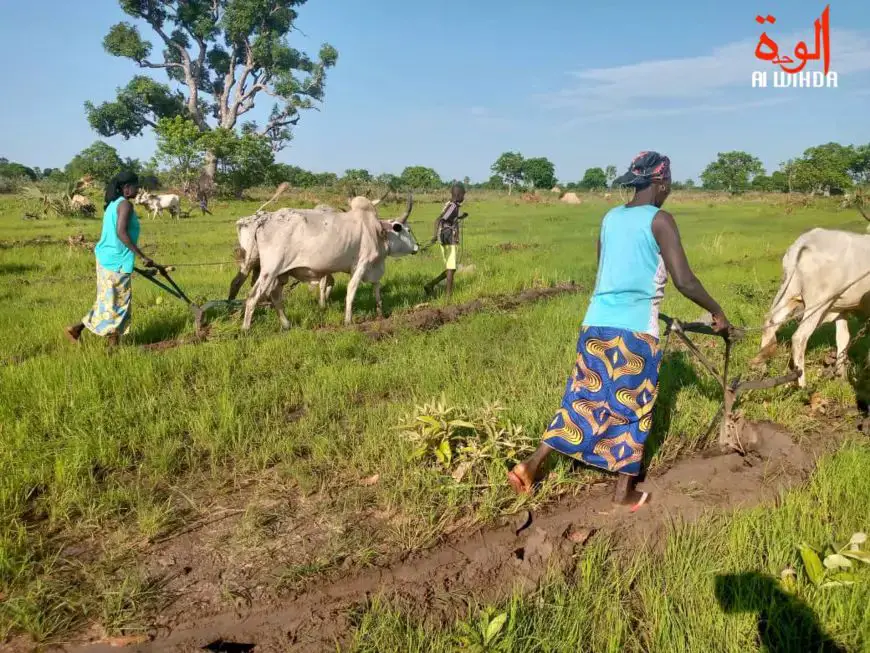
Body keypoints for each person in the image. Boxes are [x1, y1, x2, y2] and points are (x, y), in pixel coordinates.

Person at [507, 151, 731, 504]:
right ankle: (623, 493)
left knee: (582, 397)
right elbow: (684, 281)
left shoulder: (610, 218)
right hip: (635, 332)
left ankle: (531, 465)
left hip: (596, 323)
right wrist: (717, 312)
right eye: (668, 183)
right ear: (662, 183)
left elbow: (606, 269)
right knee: (634, 407)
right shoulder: (661, 220)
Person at [65, 171, 160, 346]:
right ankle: (112, 349)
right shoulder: (125, 205)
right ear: (126, 188)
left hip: (105, 257)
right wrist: (143, 256)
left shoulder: (112, 204)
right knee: (119, 304)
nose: (138, 189)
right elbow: (121, 233)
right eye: (136, 185)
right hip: (116, 260)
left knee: (107, 299)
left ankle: (77, 328)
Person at [424, 182, 469, 299]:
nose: (464, 197)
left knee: (451, 269)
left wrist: (460, 217)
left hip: (446, 237)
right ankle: (448, 297)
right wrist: (434, 236)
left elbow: (448, 219)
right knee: (451, 269)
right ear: (458, 195)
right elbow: (439, 219)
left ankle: (430, 285)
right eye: (463, 195)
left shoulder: (452, 205)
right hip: (448, 238)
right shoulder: (453, 206)